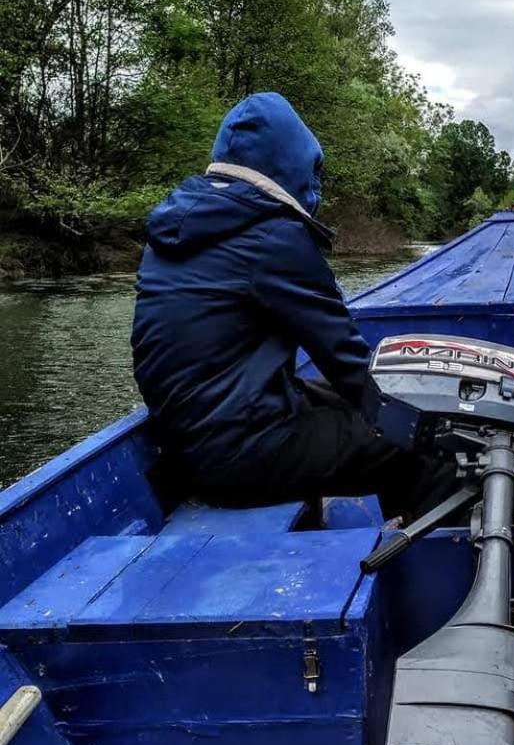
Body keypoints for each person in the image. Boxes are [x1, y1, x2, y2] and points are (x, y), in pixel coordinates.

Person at [131, 91, 449, 515]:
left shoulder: (176, 228)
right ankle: (418, 566)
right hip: (240, 457)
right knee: (421, 445)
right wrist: (423, 420)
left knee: (334, 400)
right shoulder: (275, 237)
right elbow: (345, 360)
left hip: (185, 446)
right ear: (293, 166)